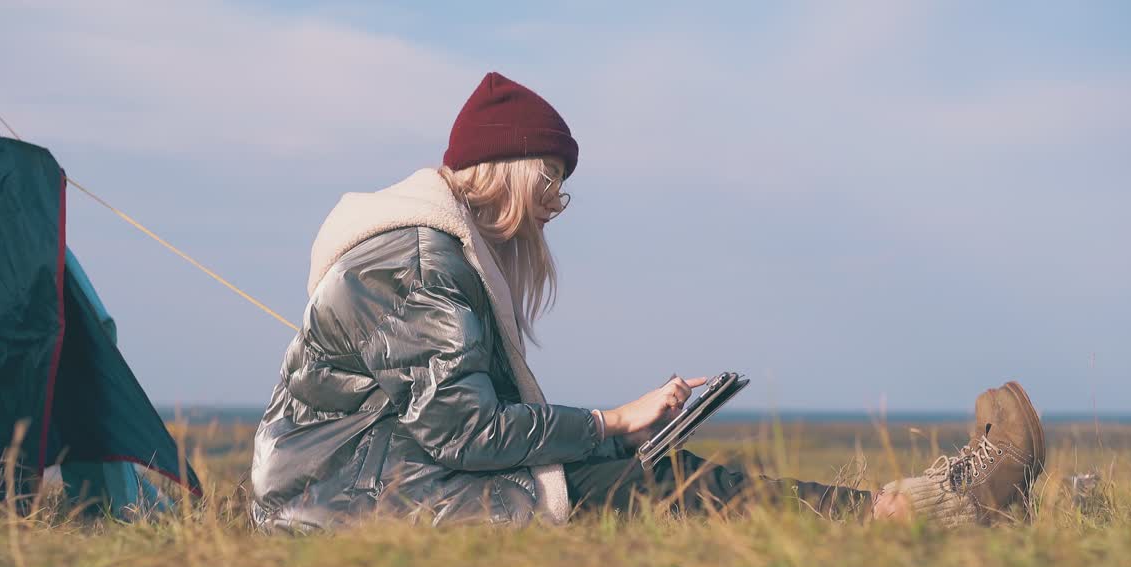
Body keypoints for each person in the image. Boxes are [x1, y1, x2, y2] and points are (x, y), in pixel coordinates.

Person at [249, 72, 1045, 530]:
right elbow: (461, 430)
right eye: (549, 184)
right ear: (509, 172)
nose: (553, 208)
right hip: (336, 508)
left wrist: (613, 434)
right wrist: (610, 422)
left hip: (369, 485)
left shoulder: (427, 253)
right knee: (664, 483)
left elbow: (446, 421)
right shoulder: (420, 259)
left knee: (657, 470)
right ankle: (929, 511)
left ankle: (924, 507)